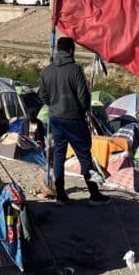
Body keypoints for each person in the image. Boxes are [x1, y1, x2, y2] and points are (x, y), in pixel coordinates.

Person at [38, 37, 109, 205]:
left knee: (58, 155)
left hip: (55, 119)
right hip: (74, 119)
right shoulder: (75, 70)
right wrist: (80, 111)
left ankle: (61, 194)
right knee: (84, 156)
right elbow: (84, 98)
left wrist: (54, 106)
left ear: (57, 50)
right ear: (71, 50)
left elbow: (43, 96)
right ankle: (93, 193)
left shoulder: (47, 71)